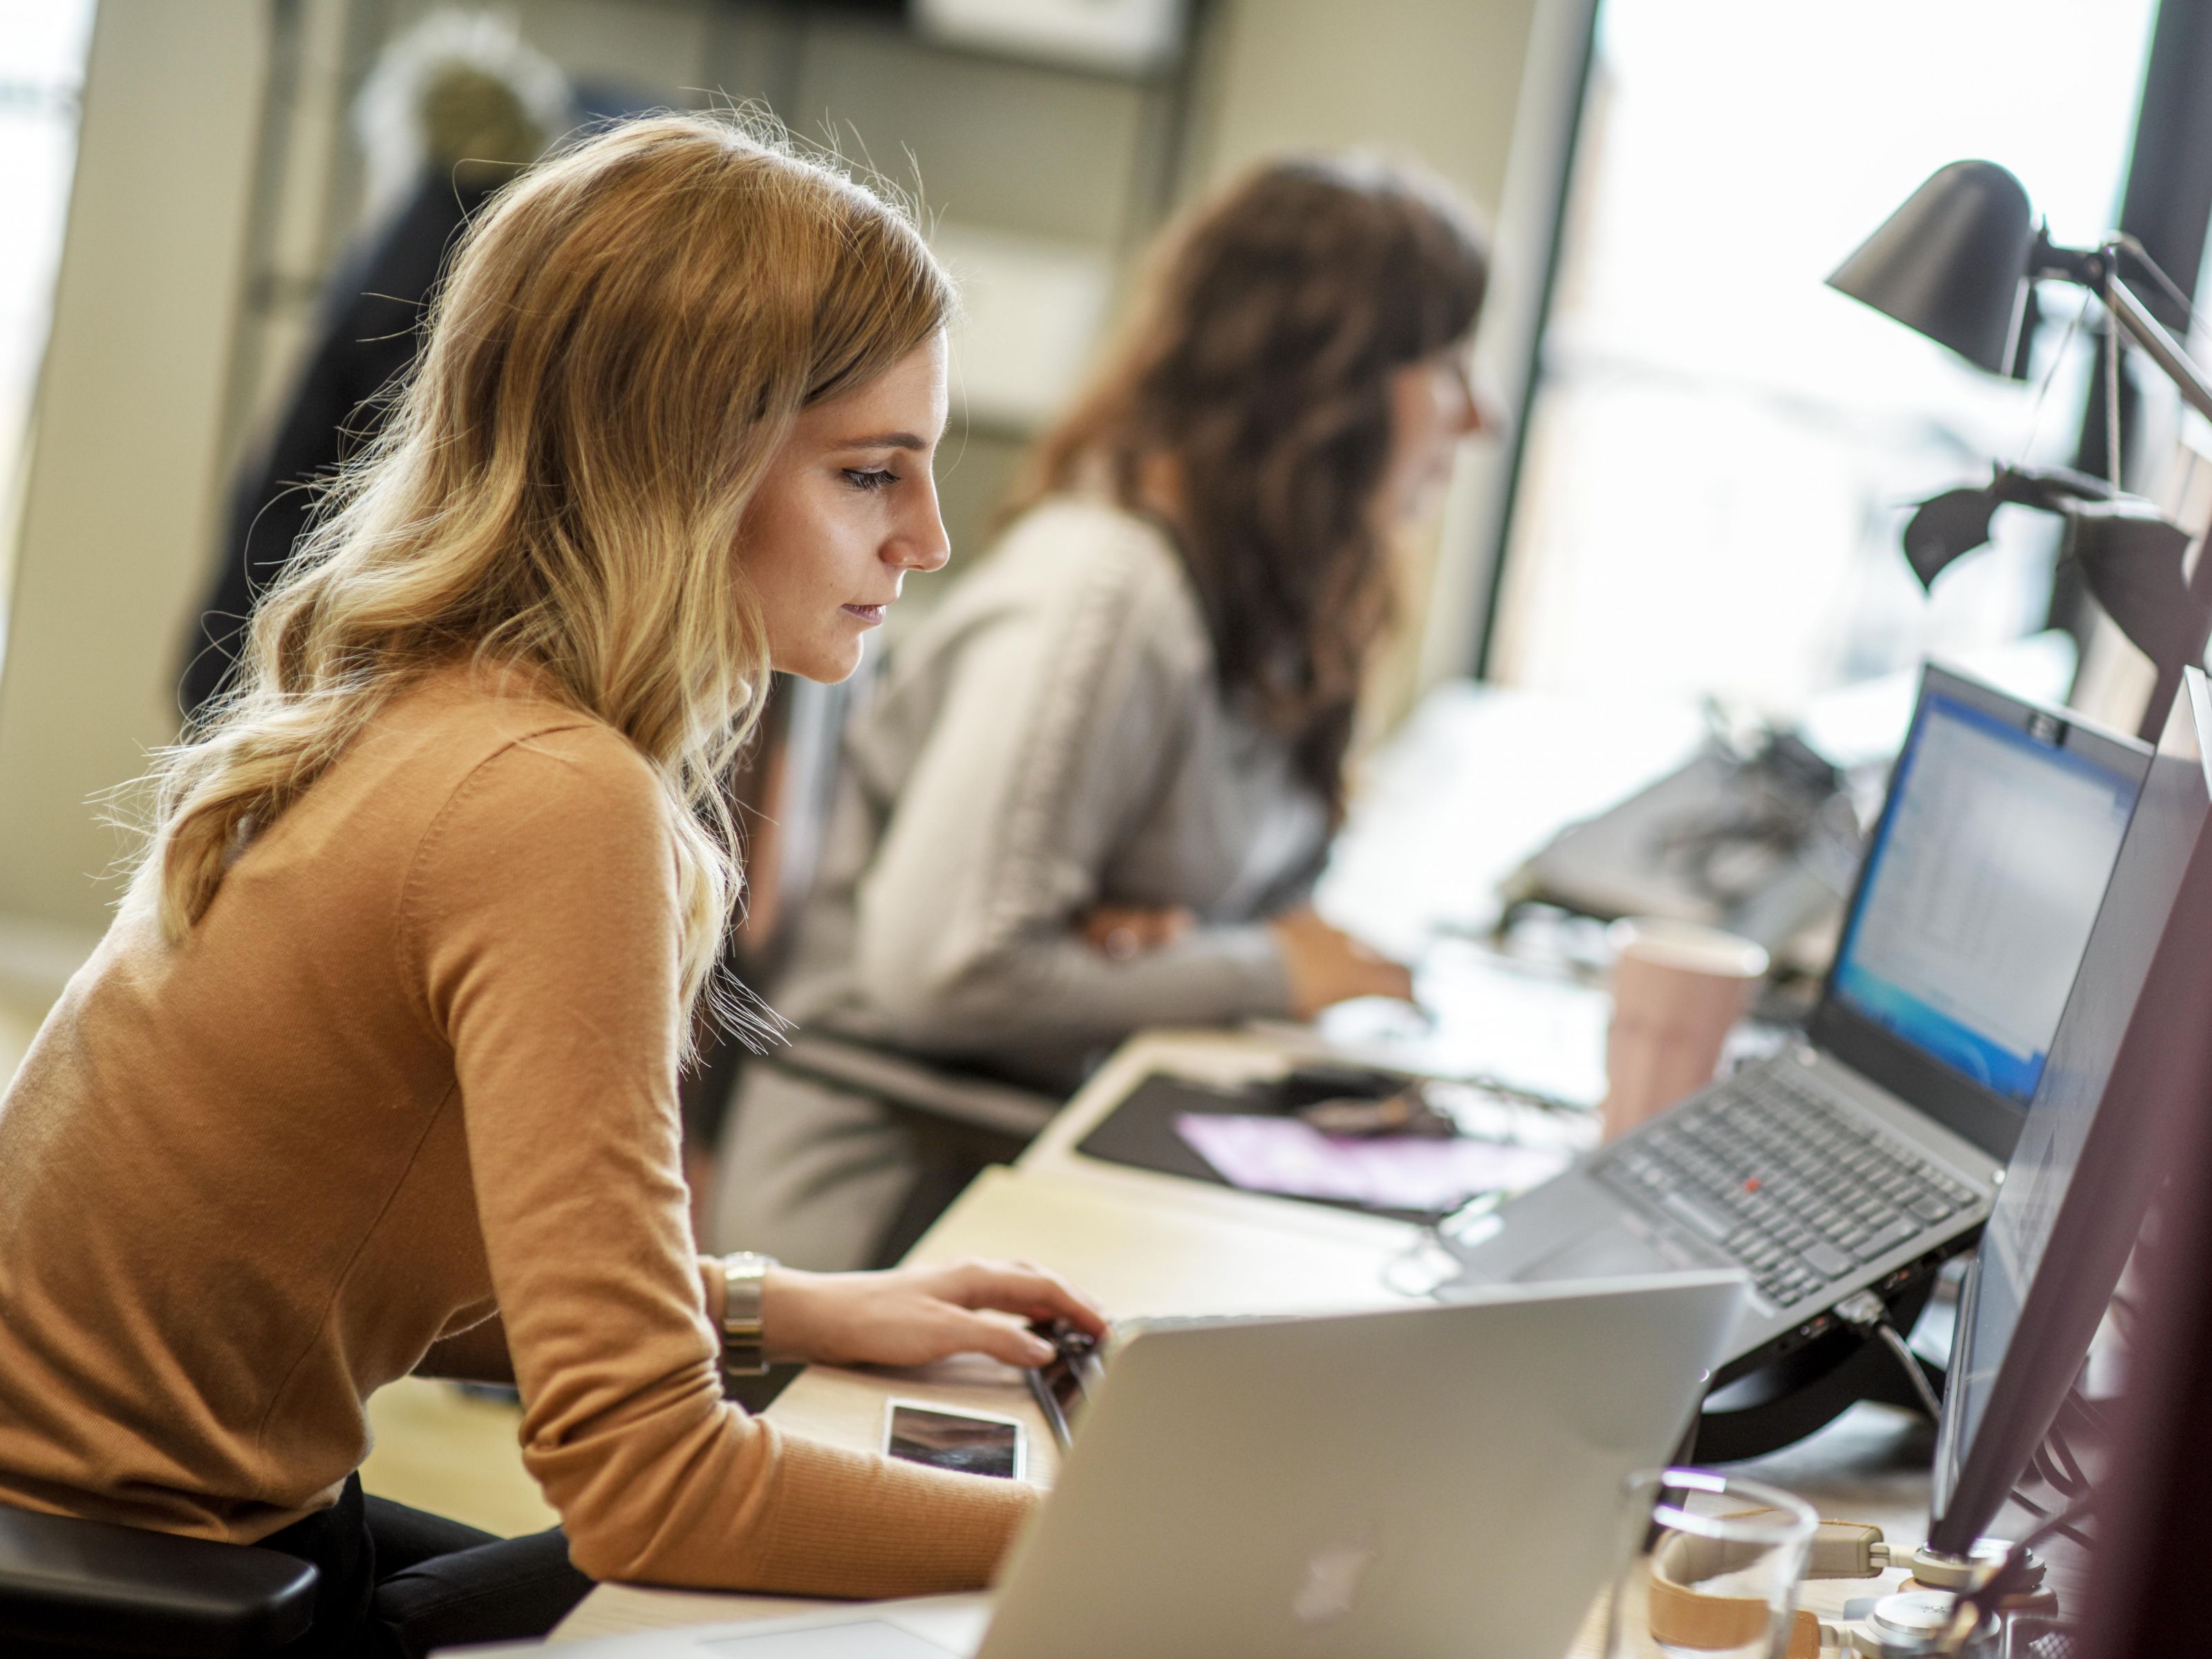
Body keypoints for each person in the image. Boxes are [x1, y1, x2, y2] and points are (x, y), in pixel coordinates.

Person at [0, 115, 1105, 1659]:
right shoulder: (548, 796)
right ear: (685, 464)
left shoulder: (427, 705)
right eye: (872, 476)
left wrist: (778, 1308)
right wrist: (1121, 1537)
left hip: (135, 1543)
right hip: (137, 1596)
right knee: (964, 1605)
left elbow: (346, 1262)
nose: (924, 539)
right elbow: (653, 1490)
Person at [711, 156, 1493, 1272]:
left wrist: (1167, 946)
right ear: (1334, 387)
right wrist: (1270, 970)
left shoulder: (1262, 605)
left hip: (1039, 1154)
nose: (1484, 417)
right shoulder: (1104, 595)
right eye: (1449, 363)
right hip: (897, 1214)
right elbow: (943, 973)